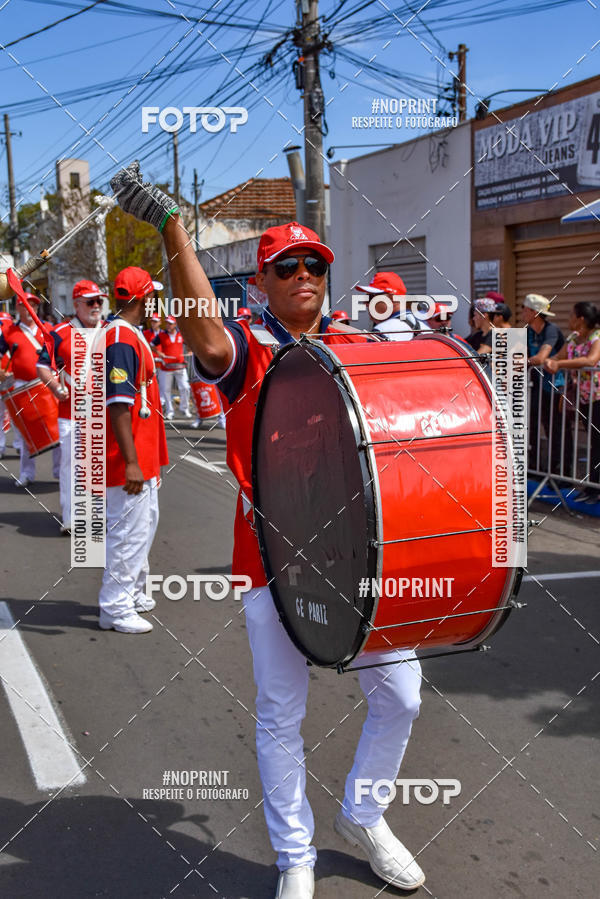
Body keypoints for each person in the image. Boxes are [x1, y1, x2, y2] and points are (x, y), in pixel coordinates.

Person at [110, 161, 425, 899]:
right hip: (270, 561)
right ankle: (295, 856)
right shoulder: (245, 350)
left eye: (315, 262)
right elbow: (199, 328)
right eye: (288, 265)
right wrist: (172, 227)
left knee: (402, 695)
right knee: (283, 711)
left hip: (359, 562)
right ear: (264, 282)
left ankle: (364, 814)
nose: (305, 274)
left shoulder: (356, 348)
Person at [98, 265, 168, 634]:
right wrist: (131, 463)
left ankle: (133, 592)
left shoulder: (128, 334)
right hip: (126, 458)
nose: (155, 299)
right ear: (142, 297)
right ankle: (115, 606)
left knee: (143, 527)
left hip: (142, 455)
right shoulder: (122, 339)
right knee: (127, 533)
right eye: (152, 293)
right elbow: (119, 403)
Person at [37, 279, 107, 532]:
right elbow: (43, 366)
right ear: (77, 304)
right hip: (72, 414)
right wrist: (56, 387)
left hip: (104, 413)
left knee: (101, 465)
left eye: (99, 300)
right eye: (91, 301)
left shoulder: (111, 330)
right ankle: (72, 517)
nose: (97, 305)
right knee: (72, 467)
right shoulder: (60, 333)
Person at [0, 293, 60, 487]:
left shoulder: (49, 329)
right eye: (24, 305)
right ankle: (27, 473)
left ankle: (60, 472)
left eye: (32, 305)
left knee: (57, 431)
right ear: (18, 308)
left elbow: (61, 354)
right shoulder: (9, 331)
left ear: (36, 308)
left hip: (48, 384)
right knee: (26, 433)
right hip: (22, 386)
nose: (29, 309)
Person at [545, 301, 600, 502]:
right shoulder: (574, 338)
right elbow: (557, 357)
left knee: (598, 444)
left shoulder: (597, 337)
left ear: (581, 319)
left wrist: (558, 364)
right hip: (585, 398)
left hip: (598, 397)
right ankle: (592, 488)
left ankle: (595, 489)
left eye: (571, 315)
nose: (568, 319)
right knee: (595, 444)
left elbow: (591, 360)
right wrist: (549, 361)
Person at [523, 293, 565, 475]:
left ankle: (558, 469)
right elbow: (519, 353)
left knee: (554, 428)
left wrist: (523, 361)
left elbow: (541, 357)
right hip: (537, 386)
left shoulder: (551, 330)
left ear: (534, 312)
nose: (522, 312)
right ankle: (534, 467)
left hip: (555, 386)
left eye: (525, 309)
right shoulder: (528, 331)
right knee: (532, 425)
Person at [355, 271, 431, 341]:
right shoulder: (428, 330)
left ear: (392, 299)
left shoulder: (381, 332)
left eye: (370, 298)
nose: (365, 303)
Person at [153, 314, 191, 420]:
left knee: (185, 388)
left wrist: (190, 350)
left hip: (180, 367)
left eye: (170, 324)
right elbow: (152, 345)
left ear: (175, 324)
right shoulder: (161, 335)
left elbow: (189, 343)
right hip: (166, 368)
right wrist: (159, 353)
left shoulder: (181, 334)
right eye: (167, 324)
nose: (168, 326)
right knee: (166, 390)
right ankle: (170, 411)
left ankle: (184, 408)